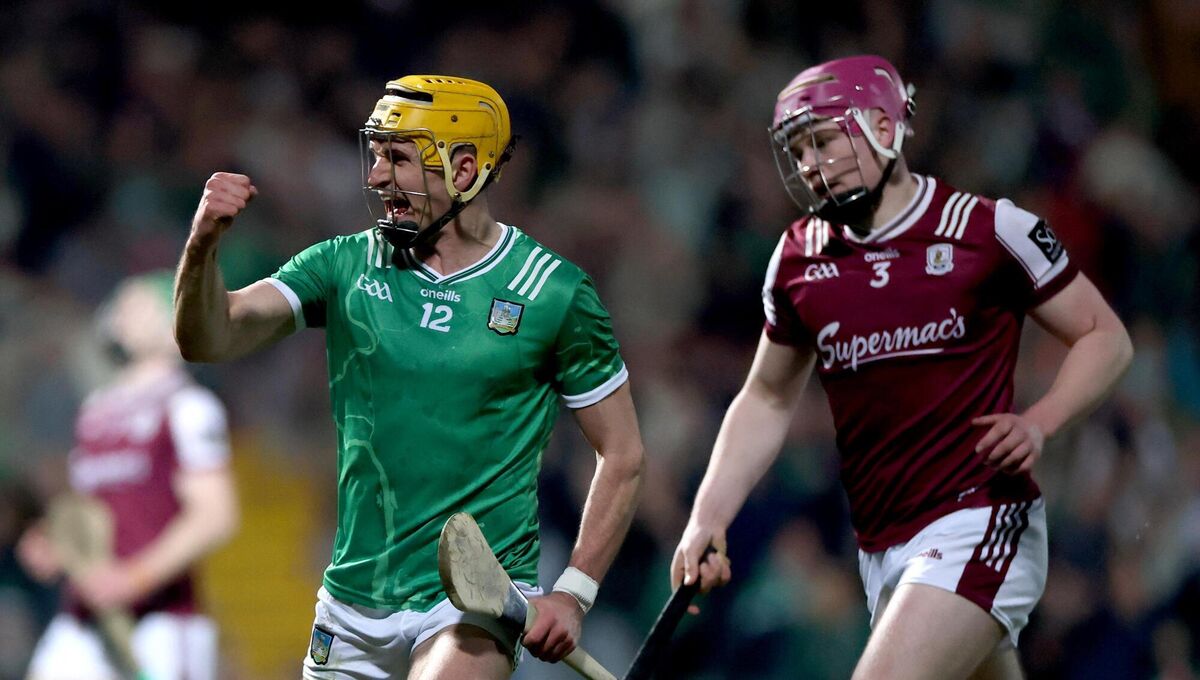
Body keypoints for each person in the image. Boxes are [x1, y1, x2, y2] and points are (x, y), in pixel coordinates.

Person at [671, 55, 1134, 680]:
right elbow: (767, 399)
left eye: (823, 140)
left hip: (981, 517)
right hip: (883, 548)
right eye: (799, 149)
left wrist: (1042, 420)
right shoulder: (798, 258)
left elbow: (1106, 336)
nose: (808, 164)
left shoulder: (988, 230)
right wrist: (708, 515)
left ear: (884, 129)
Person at [173, 75, 645, 679]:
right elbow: (209, 337)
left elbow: (623, 452)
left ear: (466, 168)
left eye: (397, 158)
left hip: (473, 600)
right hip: (352, 601)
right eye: (375, 156)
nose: (375, 177)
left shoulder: (553, 292)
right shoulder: (344, 264)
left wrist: (574, 591)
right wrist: (203, 243)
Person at [18, 271, 240, 680]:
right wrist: (55, 542)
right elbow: (94, 509)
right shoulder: (96, 412)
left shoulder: (189, 407)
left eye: (143, 303)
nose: (126, 310)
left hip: (162, 621)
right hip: (85, 616)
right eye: (126, 304)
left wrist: (136, 576)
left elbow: (215, 516)